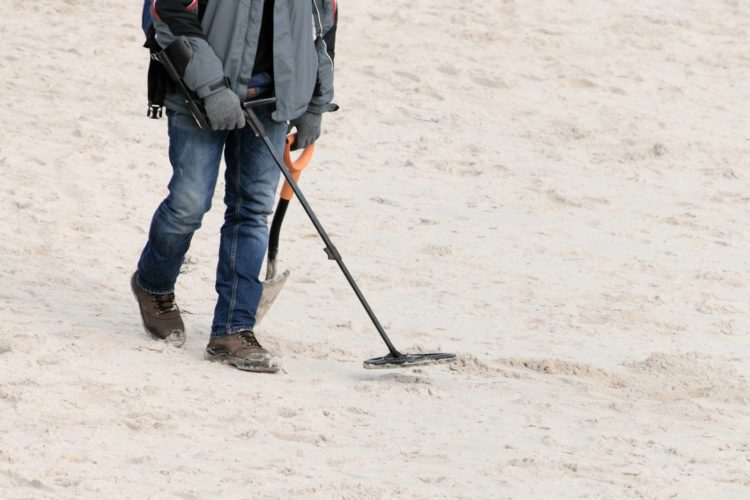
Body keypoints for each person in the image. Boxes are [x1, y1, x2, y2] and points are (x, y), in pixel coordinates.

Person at [131, 0, 338, 373]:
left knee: (254, 211)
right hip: (198, 93)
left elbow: (322, 26)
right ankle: (154, 286)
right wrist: (211, 87)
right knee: (188, 203)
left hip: (274, 102)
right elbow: (169, 12)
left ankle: (233, 329)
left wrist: (315, 102)